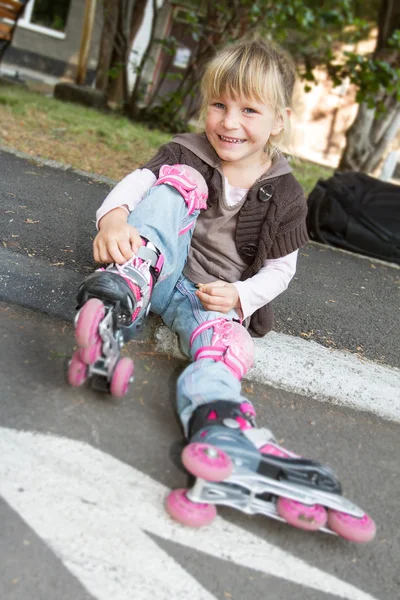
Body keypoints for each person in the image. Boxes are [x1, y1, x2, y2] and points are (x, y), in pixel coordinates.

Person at [70, 38, 350, 533]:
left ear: (278, 120)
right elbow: (135, 185)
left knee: (224, 343)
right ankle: (122, 292)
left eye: (248, 109)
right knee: (177, 181)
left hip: (209, 298)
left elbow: (280, 271)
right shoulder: (187, 151)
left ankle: (218, 421)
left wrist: (241, 296)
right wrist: (113, 221)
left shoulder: (285, 193)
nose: (228, 122)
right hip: (156, 268)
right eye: (219, 105)